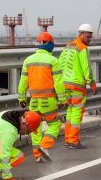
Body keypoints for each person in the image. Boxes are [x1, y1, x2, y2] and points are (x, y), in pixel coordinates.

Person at [17, 32, 66, 162]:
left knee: (35, 127)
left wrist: (21, 99)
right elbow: (59, 83)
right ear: (50, 44)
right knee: (55, 124)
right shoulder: (53, 61)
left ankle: (38, 156)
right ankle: (44, 146)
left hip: (33, 101)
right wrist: (62, 99)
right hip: (48, 100)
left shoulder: (28, 60)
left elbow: (22, 83)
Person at [59, 23, 97, 149]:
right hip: (76, 85)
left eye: (91, 36)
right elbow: (87, 67)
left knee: (70, 111)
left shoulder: (68, 46)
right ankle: (73, 141)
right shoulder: (82, 48)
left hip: (65, 84)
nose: (89, 39)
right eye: (88, 36)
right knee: (76, 112)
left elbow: (60, 64)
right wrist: (91, 82)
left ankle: (68, 139)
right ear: (81, 34)